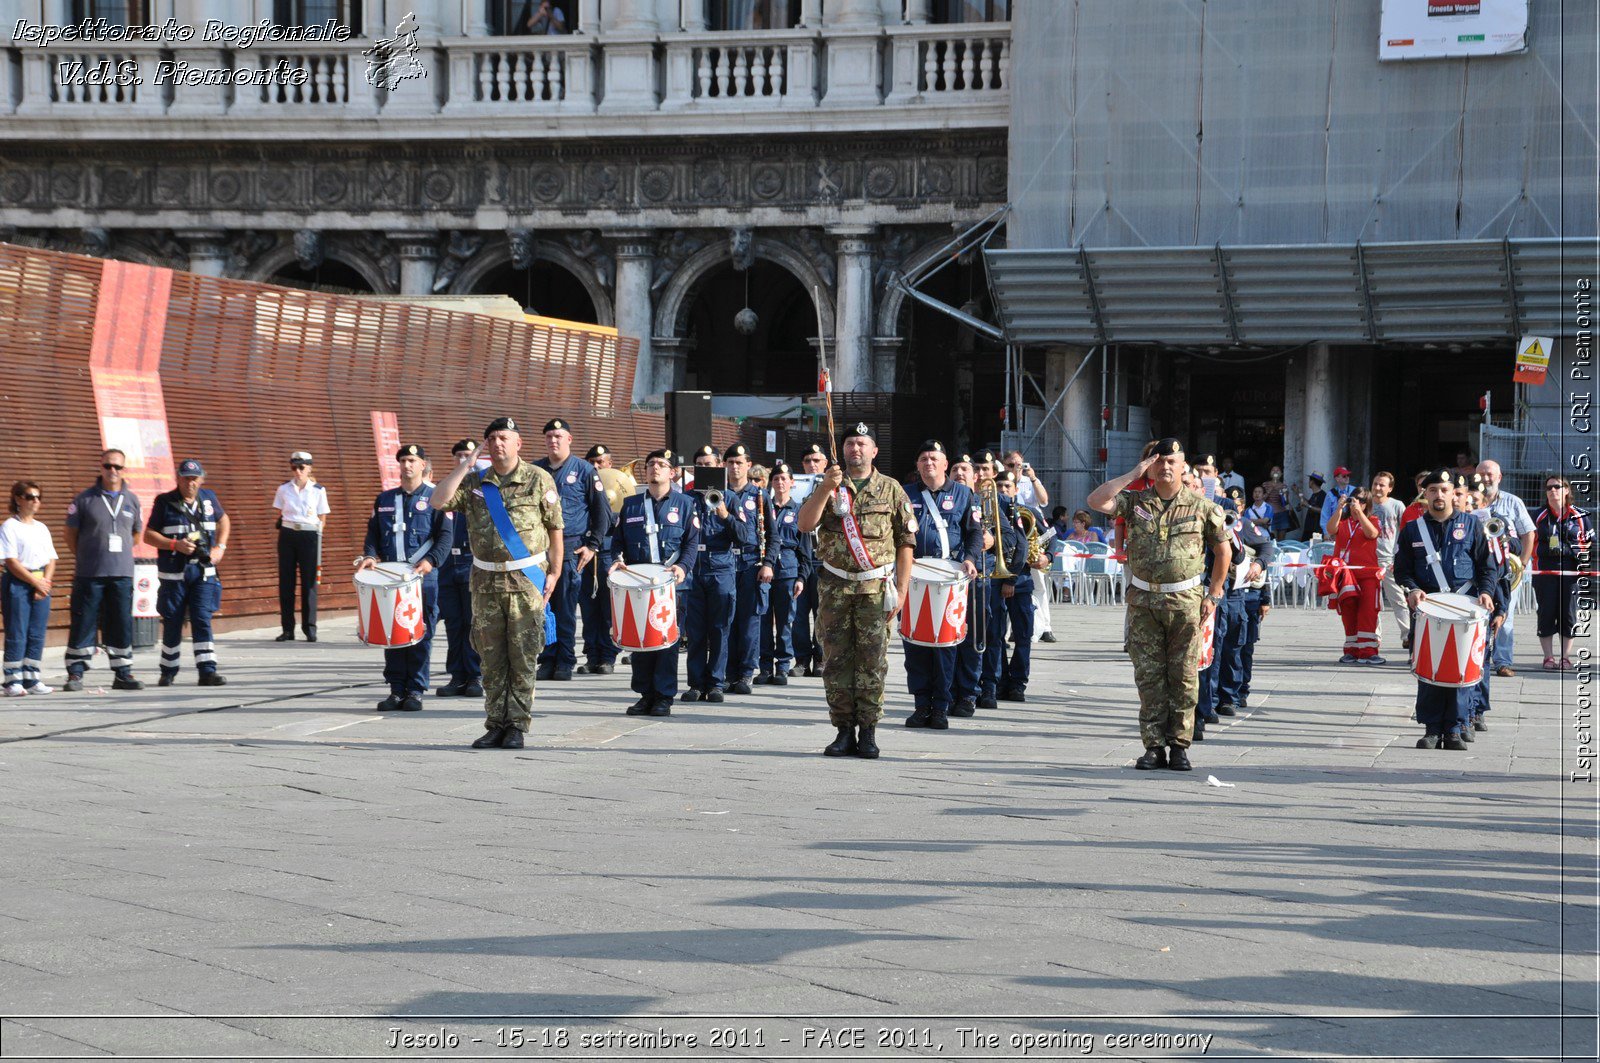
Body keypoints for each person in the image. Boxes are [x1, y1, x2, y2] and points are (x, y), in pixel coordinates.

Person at [1088, 438, 1230, 772]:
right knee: (1149, 677)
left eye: (1172, 461)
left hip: (1185, 601)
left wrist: (1214, 594)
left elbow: (1224, 551)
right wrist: (1133, 472)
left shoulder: (1202, 506)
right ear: (1152, 466)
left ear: (1184, 467)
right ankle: (1153, 746)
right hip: (1144, 601)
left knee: (1183, 677)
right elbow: (1096, 500)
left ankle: (1180, 746)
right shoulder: (1135, 501)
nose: (1165, 467)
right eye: (1160, 461)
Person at [431, 418, 562, 749]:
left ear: (518, 443)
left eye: (504, 437)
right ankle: (495, 723)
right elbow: (437, 500)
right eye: (491, 439)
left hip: (526, 582)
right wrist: (466, 465)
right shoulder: (475, 482)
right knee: (490, 657)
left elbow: (554, 528)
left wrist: (555, 571)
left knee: (523, 655)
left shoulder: (537, 478)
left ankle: (516, 724)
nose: (497, 443)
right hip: (486, 582)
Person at [798, 422, 915, 760]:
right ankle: (842, 730)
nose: (855, 449)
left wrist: (903, 590)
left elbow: (906, 542)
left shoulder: (891, 489)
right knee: (836, 661)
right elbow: (805, 525)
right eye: (850, 443)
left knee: (872, 661)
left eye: (862, 443)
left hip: (876, 589)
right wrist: (824, 489)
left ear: (874, 450)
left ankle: (869, 732)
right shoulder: (830, 485)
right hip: (835, 586)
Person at [1394, 469, 1495, 751]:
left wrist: (1486, 592)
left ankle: (1454, 728)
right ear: (1425, 495)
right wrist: (1412, 589)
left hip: (1464, 609)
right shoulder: (1413, 529)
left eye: (1444, 489)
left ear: (1453, 493)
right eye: (1433, 490)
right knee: (1430, 669)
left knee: (1460, 670)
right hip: (1429, 609)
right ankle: (1431, 729)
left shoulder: (1472, 524)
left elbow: (1487, 566)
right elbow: (1401, 569)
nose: (1439, 495)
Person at [356, 444, 451, 712]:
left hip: (422, 577)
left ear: (423, 465)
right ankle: (396, 690)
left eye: (412, 460)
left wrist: (431, 560)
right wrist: (371, 556)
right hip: (391, 578)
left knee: (420, 633)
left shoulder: (437, 498)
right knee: (392, 634)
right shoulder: (385, 499)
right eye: (403, 461)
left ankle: (415, 690)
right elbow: (373, 534)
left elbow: (445, 536)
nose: (407, 465)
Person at [609, 449, 696, 716]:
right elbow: (618, 541)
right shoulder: (632, 504)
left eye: (661, 465)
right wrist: (617, 560)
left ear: (672, 472)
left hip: (670, 582)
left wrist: (683, 567)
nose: (655, 468)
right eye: (650, 465)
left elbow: (692, 542)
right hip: (638, 583)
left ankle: (664, 696)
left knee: (664, 640)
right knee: (640, 641)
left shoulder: (685, 504)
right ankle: (645, 694)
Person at [901, 440, 981, 729]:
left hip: (949, 575)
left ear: (945, 464)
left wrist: (971, 558)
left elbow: (974, 533)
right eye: (923, 458)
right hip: (915, 573)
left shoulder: (963, 494)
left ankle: (941, 708)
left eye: (934, 458)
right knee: (915, 642)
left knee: (945, 644)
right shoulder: (906, 493)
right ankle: (921, 705)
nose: (928, 463)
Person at [534, 419, 610, 682]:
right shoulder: (535, 470)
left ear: (569, 439)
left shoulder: (585, 470)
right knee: (542, 607)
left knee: (565, 608)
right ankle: (546, 658)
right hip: (538, 551)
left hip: (569, 549)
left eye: (558, 436)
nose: (553, 440)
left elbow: (603, 513)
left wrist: (592, 546)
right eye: (549, 436)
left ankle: (564, 660)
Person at [63, 449, 145, 692]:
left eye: (117, 467)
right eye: (108, 466)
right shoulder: (84, 500)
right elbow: (70, 535)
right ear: (100, 467)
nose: (112, 471)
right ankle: (76, 672)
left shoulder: (132, 500)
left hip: (121, 573)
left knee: (120, 622)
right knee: (83, 621)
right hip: (91, 573)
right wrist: (88, 555)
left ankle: (122, 673)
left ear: (124, 469)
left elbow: (137, 534)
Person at [143, 459, 231, 687]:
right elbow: (148, 535)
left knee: (202, 619)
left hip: (203, 572)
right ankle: (168, 671)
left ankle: (207, 671)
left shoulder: (209, 498)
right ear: (178, 478)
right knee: (172, 621)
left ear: (201, 479)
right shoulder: (164, 502)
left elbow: (224, 521)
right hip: (174, 575)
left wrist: (219, 548)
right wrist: (175, 545)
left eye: (194, 478)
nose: (190, 483)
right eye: (186, 478)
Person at [1196, 487, 1275, 732]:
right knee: (1212, 650)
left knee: (1235, 646)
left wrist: (1260, 565)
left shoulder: (1244, 526)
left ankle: (1229, 696)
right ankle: (1210, 701)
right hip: (1209, 590)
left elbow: (1266, 547)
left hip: (1236, 593)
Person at [682, 444, 750, 703]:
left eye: (709, 464)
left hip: (721, 567)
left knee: (720, 628)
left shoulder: (730, 497)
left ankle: (716, 683)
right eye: (700, 464)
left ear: (719, 466)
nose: (705, 469)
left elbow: (746, 537)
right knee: (696, 630)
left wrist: (725, 515)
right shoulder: (686, 498)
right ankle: (696, 683)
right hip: (694, 567)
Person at [722, 443, 777, 695]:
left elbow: (773, 535)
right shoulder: (716, 493)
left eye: (739, 462)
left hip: (750, 564)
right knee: (725, 621)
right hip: (722, 564)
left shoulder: (759, 495)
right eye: (731, 462)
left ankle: (745, 673)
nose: (735, 467)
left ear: (747, 465)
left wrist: (768, 564)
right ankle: (727, 673)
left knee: (749, 622)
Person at [1475, 459, 1536, 677]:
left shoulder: (1513, 502)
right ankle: (1475, 658)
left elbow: (1528, 533)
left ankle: (1502, 662)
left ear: (1499, 477)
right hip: (1477, 571)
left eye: (1489, 474)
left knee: (1505, 615)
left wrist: (1522, 563)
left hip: (1506, 571)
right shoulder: (1469, 501)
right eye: (1480, 474)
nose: (1484, 477)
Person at [756, 463, 812, 686]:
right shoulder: (763, 508)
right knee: (763, 620)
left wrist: (801, 578)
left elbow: (805, 550)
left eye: (784, 479)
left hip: (788, 570)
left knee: (785, 621)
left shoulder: (799, 510)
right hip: (764, 570)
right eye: (776, 478)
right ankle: (765, 666)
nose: (780, 483)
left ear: (792, 483)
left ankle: (783, 666)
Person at [435, 440, 483, 699]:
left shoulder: (483, 488)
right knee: (453, 624)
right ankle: (457, 675)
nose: (464, 459)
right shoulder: (447, 488)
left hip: (472, 562)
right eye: (459, 456)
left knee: (473, 623)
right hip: (447, 566)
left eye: (469, 455)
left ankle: (476, 675)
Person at [1, 481, 57, 696]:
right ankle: (12, 679)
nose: (35, 501)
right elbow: (11, 561)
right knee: (17, 630)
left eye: (38, 497)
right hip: (18, 581)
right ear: (17, 499)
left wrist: (45, 583)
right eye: (30, 496)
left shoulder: (41, 528)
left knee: (36, 632)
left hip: (41, 580)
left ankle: (31, 676)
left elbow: (51, 558)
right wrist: (35, 583)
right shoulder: (10, 526)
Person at [1533, 475, 1589, 670]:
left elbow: (1590, 543)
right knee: (1546, 613)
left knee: (1569, 615)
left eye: (1557, 486)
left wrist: (1579, 553)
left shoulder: (1580, 516)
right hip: (1544, 573)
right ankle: (1548, 657)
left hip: (1571, 574)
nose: (1553, 491)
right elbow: (1529, 541)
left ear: (1567, 490)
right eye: (1549, 488)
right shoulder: (1538, 515)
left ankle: (1565, 657)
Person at [1323, 486, 1383, 664]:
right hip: (1346, 575)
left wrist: (1360, 513)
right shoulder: (1343, 523)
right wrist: (1340, 508)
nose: (1357, 502)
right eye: (1354, 499)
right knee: (1348, 611)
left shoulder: (1373, 520)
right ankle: (1351, 649)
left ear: (1367, 504)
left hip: (1368, 574)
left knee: (1368, 611)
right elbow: (1330, 529)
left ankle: (1369, 651)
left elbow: (1371, 533)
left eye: (1362, 500)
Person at [273, 451, 328, 642]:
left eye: (301, 467)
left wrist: (316, 535)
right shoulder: (284, 489)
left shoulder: (318, 490)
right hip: (288, 534)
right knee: (286, 582)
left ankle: (309, 628)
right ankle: (287, 629)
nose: (298, 471)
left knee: (309, 582)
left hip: (309, 534)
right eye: (294, 467)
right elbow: (281, 511)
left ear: (309, 468)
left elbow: (322, 517)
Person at [580, 443, 626, 677]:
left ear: (610, 464)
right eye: (592, 463)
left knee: (609, 609)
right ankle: (592, 655)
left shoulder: (619, 488)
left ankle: (608, 655)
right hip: (584, 553)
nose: (596, 467)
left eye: (600, 462)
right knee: (588, 609)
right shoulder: (582, 486)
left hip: (607, 553)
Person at [997, 470, 1041, 702]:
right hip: (997, 584)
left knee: (1023, 636)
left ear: (1016, 490)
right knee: (996, 636)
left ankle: (1018, 683)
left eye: (1007, 486)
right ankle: (1001, 681)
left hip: (1021, 583)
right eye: (1000, 486)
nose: (1003, 490)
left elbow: (1049, 536)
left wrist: (1048, 556)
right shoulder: (990, 510)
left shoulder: (1027, 512)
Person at [791, 443, 829, 678]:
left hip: (824, 558)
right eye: (808, 461)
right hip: (800, 559)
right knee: (798, 613)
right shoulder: (794, 488)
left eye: (817, 460)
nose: (812, 465)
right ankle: (801, 659)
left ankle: (822, 657)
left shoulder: (834, 488)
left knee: (823, 612)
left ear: (825, 463)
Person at [1368, 471, 1409, 651]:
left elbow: (1406, 532)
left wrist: (1399, 557)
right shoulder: (1366, 505)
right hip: (1369, 559)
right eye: (1375, 483)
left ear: (1390, 488)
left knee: (1398, 599)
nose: (1377, 487)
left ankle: (1408, 635)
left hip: (1390, 559)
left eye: (1382, 485)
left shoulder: (1397, 505)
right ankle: (1374, 636)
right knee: (1372, 601)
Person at [1299, 472, 1328, 540]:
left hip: (1316, 530)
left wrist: (1308, 506)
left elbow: (1322, 510)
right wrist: (1298, 492)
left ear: (1312, 482)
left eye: (1309, 480)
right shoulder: (1314, 494)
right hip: (1309, 528)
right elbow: (1308, 503)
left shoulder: (1322, 495)